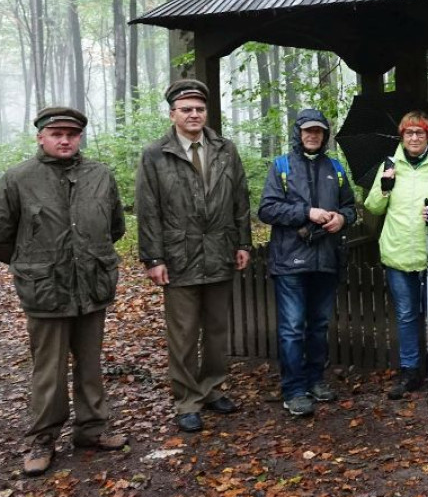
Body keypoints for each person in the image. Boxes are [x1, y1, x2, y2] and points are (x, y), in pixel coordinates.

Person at [0, 108, 128, 476]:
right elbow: (3, 236)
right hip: (45, 291)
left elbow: (114, 227)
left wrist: (88, 258)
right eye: (56, 133)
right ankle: (43, 439)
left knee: (90, 364)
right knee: (48, 370)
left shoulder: (100, 175)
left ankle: (92, 429)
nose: (65, 140)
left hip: (92, 285)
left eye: (72, 134)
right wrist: (32, 264)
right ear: (40, 136)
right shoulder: (18, 178)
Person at [135, 80, 252, 433]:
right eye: (186, 109)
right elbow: (148, 209)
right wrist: (153, 258)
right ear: (173, 114)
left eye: (199, 109)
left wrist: (242, 243)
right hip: (178, 255)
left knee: (217, 330)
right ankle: (187, 399)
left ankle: (213, 388)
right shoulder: (156, 154)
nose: (194, 115)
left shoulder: (225, 149)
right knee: (183, 334)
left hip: (219, 252)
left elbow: (240, 201)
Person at [258, 109, 356, 417]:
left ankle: (315, 380)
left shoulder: (336, 168)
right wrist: (306, 212)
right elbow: (267, 209)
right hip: (290, 260)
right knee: (292, 327)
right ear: (298, 134)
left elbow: (350, 207)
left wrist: (342, 219)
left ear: (325, 135)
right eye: (308, 131)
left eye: (319, 131)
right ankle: (294, 390)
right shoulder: (282, 167)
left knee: (319, 325)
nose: (313, 136)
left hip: (326, 258)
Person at [364, 111, 428, 402]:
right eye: (409, 133)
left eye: (420, 133)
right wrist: (384, 188)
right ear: (401, 137)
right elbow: (373, 208)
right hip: (398, 252)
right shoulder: (389, 166)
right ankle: (410, 371)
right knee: (406, 315)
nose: (414, 138)